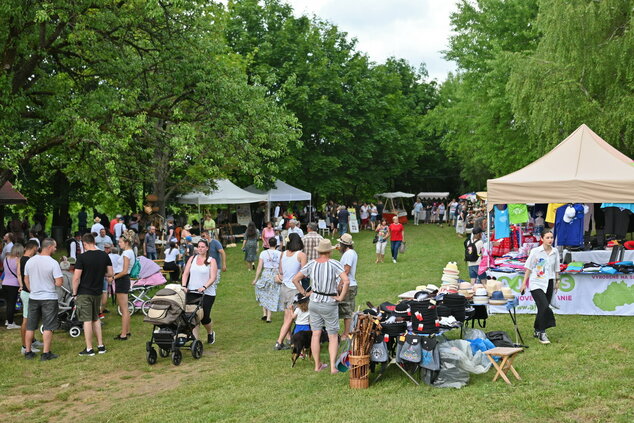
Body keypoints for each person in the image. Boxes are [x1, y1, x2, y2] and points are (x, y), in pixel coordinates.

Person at [292, 239, 349, 373]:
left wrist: (304, 293)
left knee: (316, 334)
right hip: (329, 302)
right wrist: (340, 297)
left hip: (314, 302)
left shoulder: (312, 263)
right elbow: (346, 281)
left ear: (319, 251)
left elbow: (295, 279)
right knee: (333, 335)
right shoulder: (334, 264)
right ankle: (333, 367)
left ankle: (317, 365)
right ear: (329, 251)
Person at [72, 233, 113, 356]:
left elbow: (76, 278)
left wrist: (74, 293)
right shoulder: (104, 255)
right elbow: (110, 273)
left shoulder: (82, 257)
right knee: (96, 318)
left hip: (84, 292)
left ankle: (89, 348)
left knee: (87, 320)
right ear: (94, 241)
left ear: (84, 243)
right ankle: (101, 346)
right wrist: (100, 274)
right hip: (98, 291)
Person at [23, 238, 63, 360]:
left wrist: (32, 290)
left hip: (34, 297)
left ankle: (28, 351)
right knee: (48, 325)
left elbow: (26, 279)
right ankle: (46, 353)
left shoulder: (30, 261)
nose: (56, 249)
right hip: (49, 297)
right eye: (55, 247)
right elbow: (59, 283)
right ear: (50, 247)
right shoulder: (53, 263)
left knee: (30, 325)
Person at [520, 230, 559, 345]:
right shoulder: (535, 251)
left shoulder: (555, 251)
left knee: (541, 308)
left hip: (549, 281)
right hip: (536, 282)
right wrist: (523, 283)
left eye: (551, 237)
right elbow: (528, 267)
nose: (550, 240)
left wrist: (558, 281)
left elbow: (557, 267)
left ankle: (537, 329)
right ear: (542, 239)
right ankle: (542, 332)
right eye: (547, 237)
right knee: (545, 306)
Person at [181, 240, 218, 344]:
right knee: (193, 316)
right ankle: (195, 340)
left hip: (207, 293)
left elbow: (213, 277)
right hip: (192, 291)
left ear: (207, 248)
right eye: (199, 246)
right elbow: (185, 273)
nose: (200, 249)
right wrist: (184, 286)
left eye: (202, 247)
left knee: (204, 317)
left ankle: (210, 332)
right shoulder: (192, 259)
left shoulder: (211, 260)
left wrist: (204, 286)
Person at [274, 233, 307, 350]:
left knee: (287, 315)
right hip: (294, 289)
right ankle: (279, 341)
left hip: (284, 287)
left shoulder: (283, 254)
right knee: (290, 317)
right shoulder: (301, 255)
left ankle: (289, 339)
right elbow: (304, 272)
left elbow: (281, 271)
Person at [17, 241, 44, 354]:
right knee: (27, 320)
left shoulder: (21, 259)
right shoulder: (29, 260)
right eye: (36, 249)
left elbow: (19, 274)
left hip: (26, 291)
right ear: (33, 248)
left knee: (31, 319)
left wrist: (21, 285)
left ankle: (31, 341)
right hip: (29, 293)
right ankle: (24, 346)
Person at [252, 237, 282, 323]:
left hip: (266, 274)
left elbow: (259, 267)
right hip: (275, 275)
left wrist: (256, 279)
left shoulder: (263, 253)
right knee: (271, 294)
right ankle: (268, 317)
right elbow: (281, 267)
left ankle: (264, 313)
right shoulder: (280, 253)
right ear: (276, 244)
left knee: (264, 292)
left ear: (268, 244)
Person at [112, 234, 134, 340]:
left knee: (124, 308)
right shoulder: (131, 252)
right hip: (124, 279)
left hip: (122, 279)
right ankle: (127, 330)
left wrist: (114, 278)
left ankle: (123, 334)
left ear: (126, 243)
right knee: (125, 308)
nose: (119, 244)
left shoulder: (126, 253)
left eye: (121, 242)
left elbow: (124, 271)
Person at [337, 234, 358, 338]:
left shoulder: (349, 254)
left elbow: (346, 269)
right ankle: (346, 332)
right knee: (345, 310)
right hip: (348, 284)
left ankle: (346, 333)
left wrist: (340, 284)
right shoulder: (349, 253)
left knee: (347, 311)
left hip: (348, 285)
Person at [2, 243, 23, 329]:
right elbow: (18, 274)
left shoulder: (6, 259)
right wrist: (21, 285)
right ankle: (10, 323)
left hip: (4, 283)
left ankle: (8, 320)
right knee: (11, 304)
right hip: (13, 285)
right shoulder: (17, 260)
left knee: (8, 304)